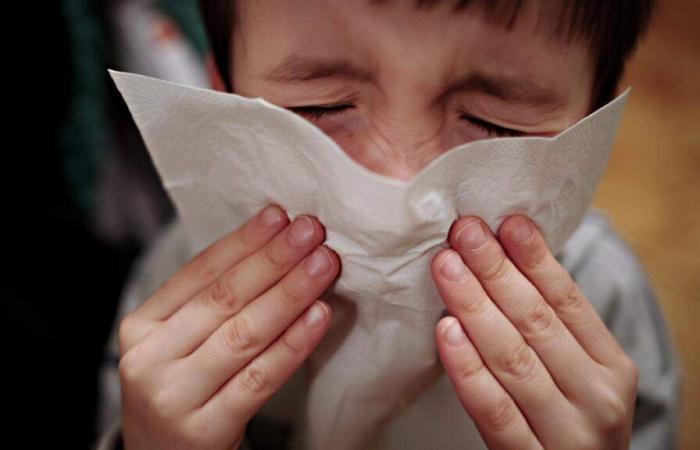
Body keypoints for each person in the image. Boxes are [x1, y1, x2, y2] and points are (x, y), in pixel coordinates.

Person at [95, 1, 681, 449]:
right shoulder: (181, 287)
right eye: (320, 108)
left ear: (592, 128)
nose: (402, 188)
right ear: (222, 96)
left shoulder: (604, 302)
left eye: (494, 125)